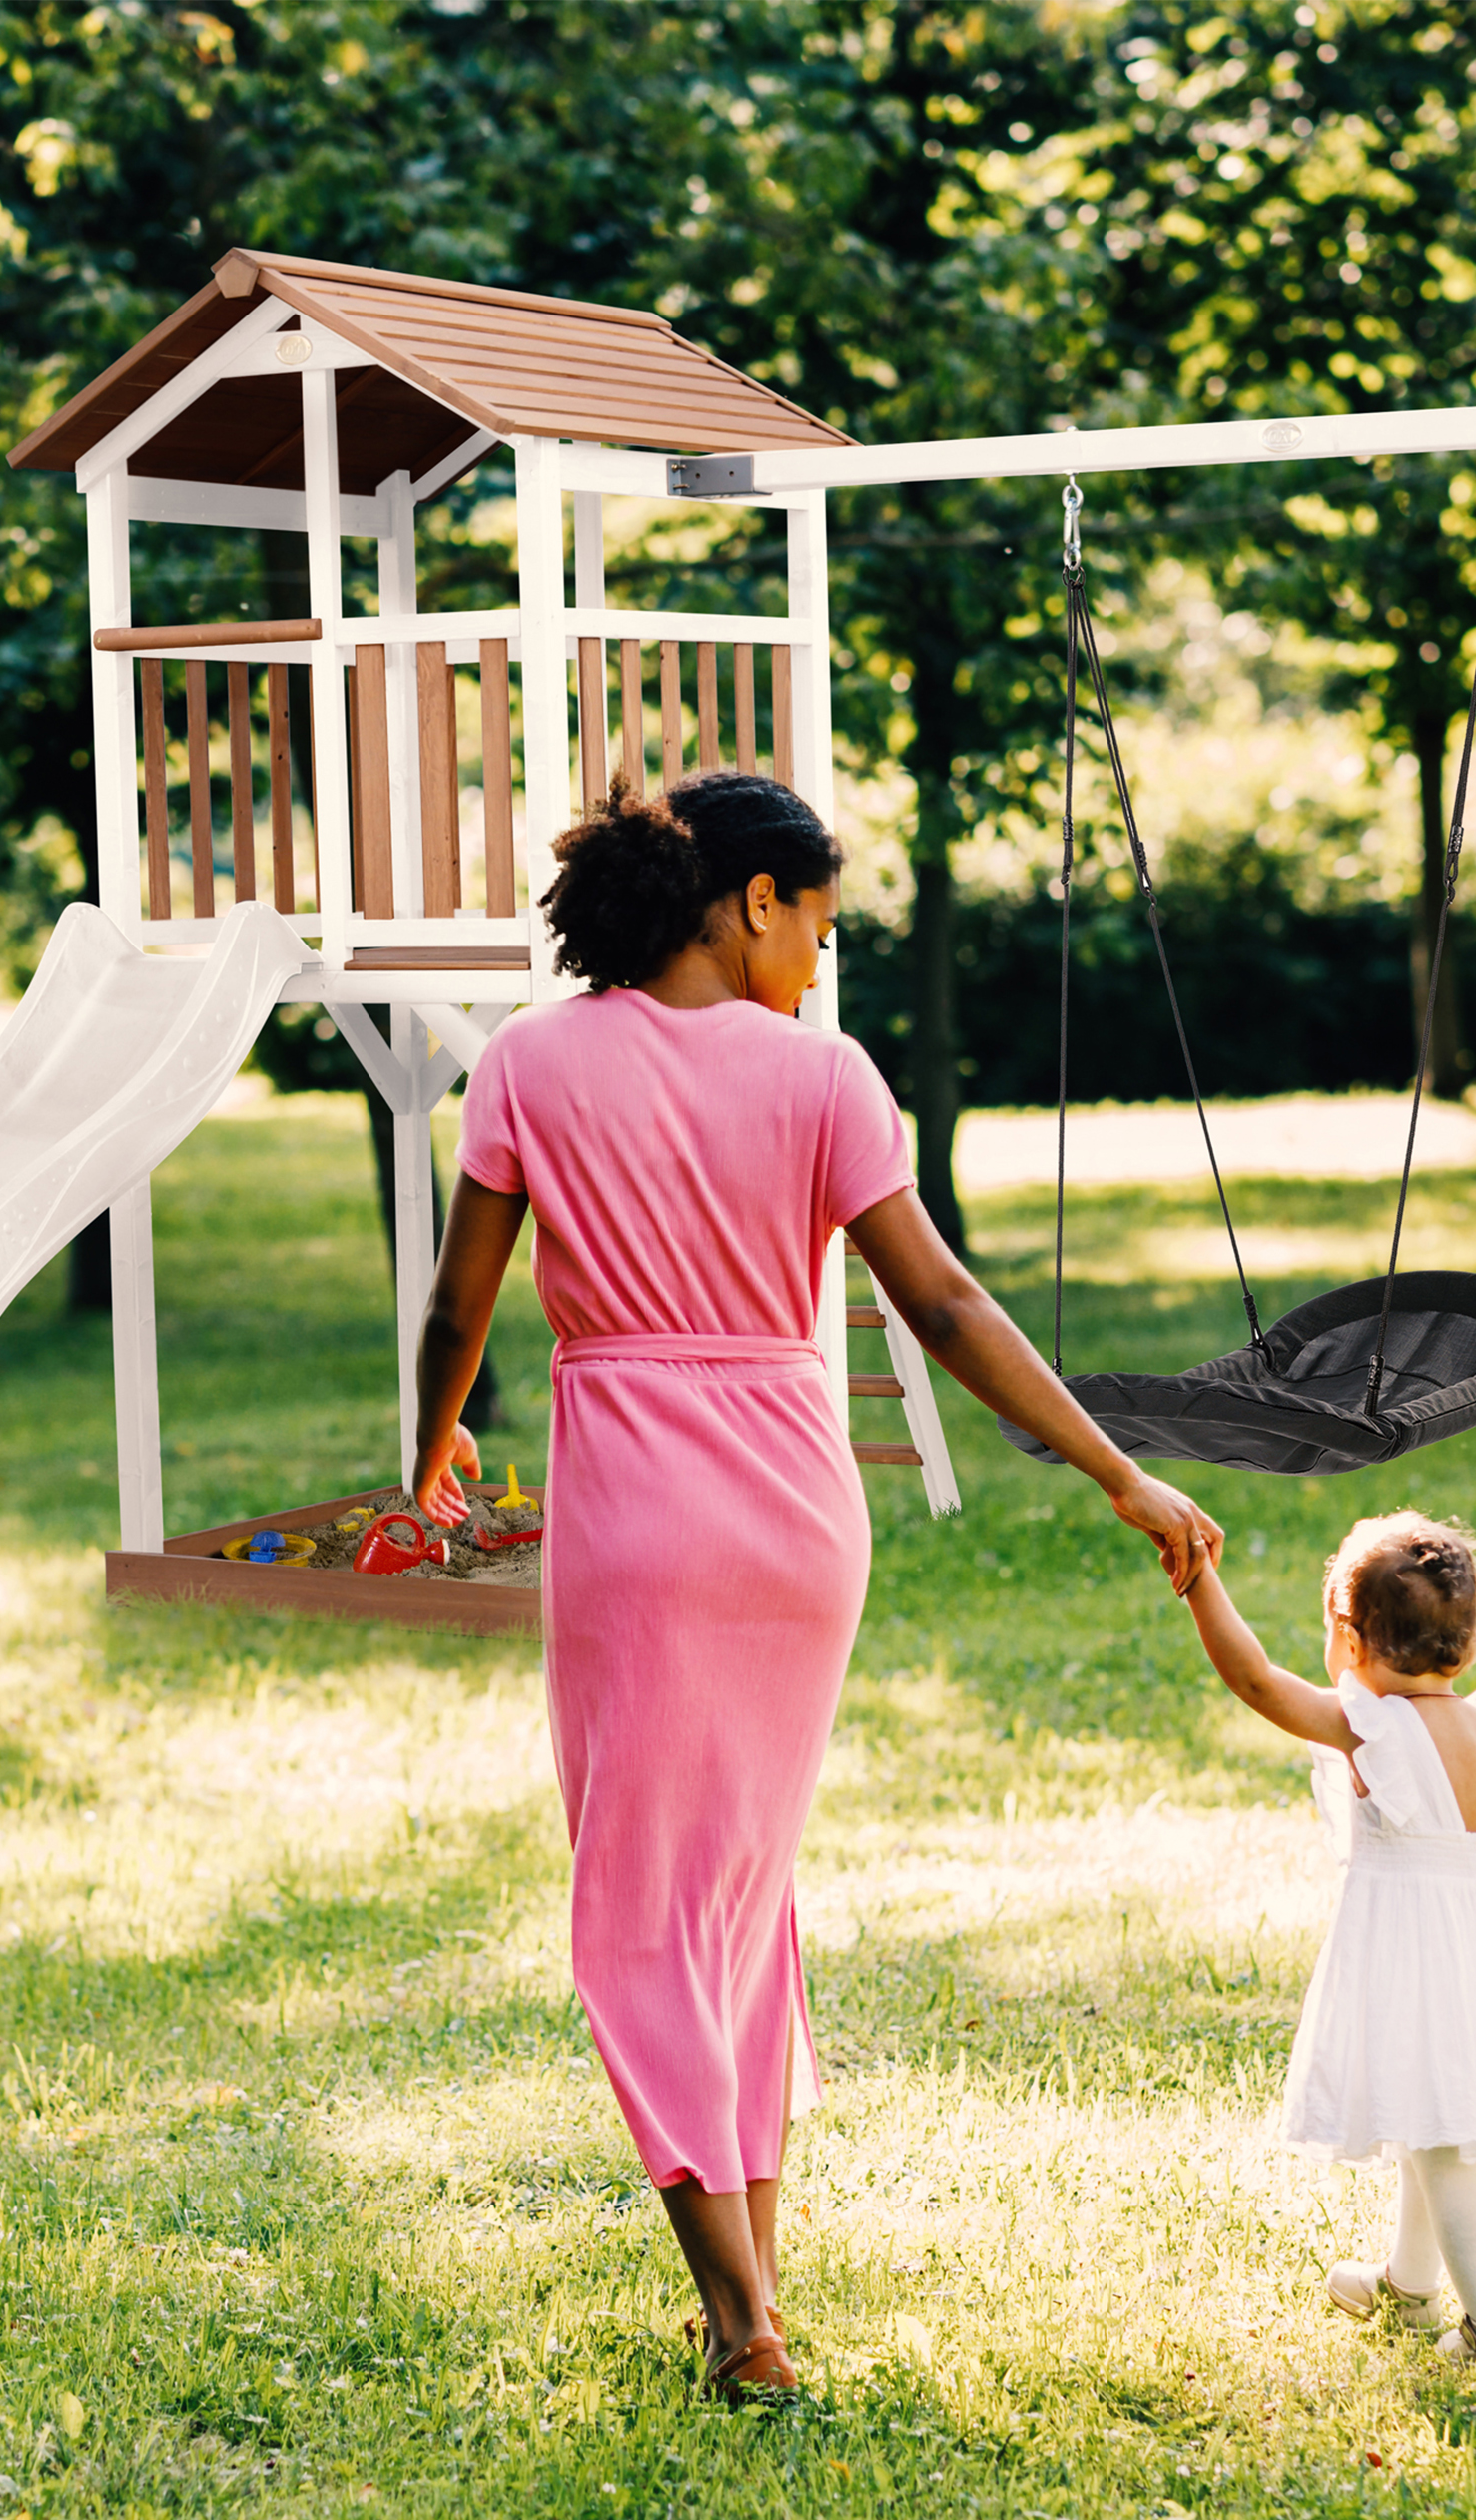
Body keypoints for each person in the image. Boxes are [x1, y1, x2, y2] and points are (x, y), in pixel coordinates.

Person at [409, 772, 1223, 2403]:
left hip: (637, 1516)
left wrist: (427, 1454)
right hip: (797, 1517)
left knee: (643, 1914)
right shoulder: (826, 1078)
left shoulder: (529, 1066)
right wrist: (1116, 1468)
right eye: (819, 928)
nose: (818, 963)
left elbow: (459, 1307)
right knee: (739, 1897)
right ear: (752, 901)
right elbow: (947, 1306)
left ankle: (741, 2323)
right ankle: (755, 2293)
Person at [1176, 1512, 1476, 2368]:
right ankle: (1407, 2287)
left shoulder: (1372, 1729)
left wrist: (1199, 1581)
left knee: (1442, 2146)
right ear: (1468, 1645)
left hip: (1415, 1960)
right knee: (1425, 2112)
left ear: (1350, 1640)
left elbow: (1254, 1679)